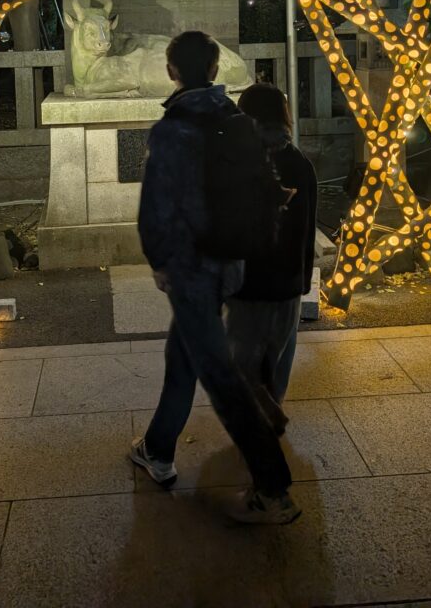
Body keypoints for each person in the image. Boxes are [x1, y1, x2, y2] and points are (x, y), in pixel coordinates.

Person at [131, 31, 300, 526]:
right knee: (182, 354)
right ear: (214, 68)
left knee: (222, 379)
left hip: (192, 269)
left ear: (171, 71)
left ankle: (273, 489)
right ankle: (158, 447)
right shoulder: (237, 120)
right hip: (232, 263)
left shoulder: (172, 130)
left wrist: (159, 261)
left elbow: (156, 207)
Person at [226, 83, 318, 434]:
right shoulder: (300, 163)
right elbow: (307, 228)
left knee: (241, 360)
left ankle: (261, 418)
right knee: (278, 360)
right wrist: (304, 279)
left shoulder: (239, 163)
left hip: (249, 283)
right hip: (289, 282)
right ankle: (272, 408)